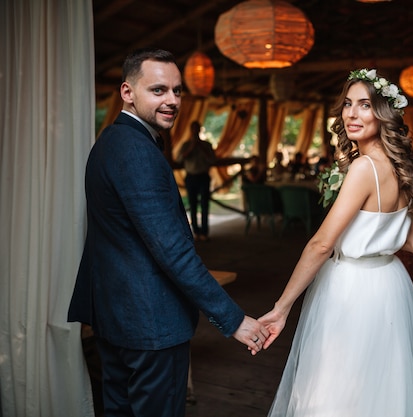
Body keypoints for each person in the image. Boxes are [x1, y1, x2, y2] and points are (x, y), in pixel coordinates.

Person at [67, 48, 268, 417]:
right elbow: (172, 250)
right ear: (128, 92)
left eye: (177, 91)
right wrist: (234, 319)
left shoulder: (109, 142)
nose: (172, 100)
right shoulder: (137, 151)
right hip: (149, 324)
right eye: (158, 90)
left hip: (114, 319)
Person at [259, 69, 413, 416]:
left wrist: (282, 307)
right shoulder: (401, 167)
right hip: (390, 286)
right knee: (383, 389)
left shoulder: (364, 169)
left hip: (352, 288)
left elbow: (320, 245)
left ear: (384, 114)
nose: (351, 113)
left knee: (338, 389)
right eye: (348, 104)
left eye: (365, 105)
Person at [176, 120, 216, 241]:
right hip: (191, 177)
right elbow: (179, 159)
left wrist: (201, 148)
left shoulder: (206, 145)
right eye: (193, 129)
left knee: (204, 205)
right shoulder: (186, 145)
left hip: (203, 176)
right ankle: (196, 232)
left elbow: (213, 160)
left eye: (197, 129)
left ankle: (204, 232)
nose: (195, 131)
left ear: (199, 130)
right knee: (192, 205)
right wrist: (191, 148)